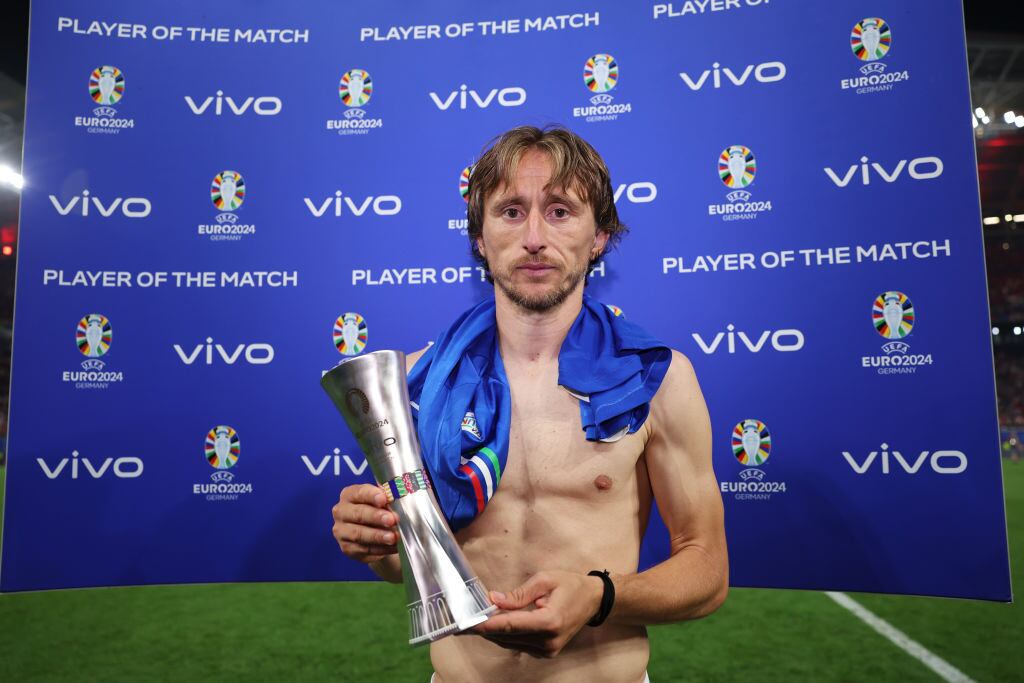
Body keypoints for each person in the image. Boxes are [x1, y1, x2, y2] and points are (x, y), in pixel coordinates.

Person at [332, 125, 728, 682]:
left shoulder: (657, 378)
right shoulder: (419, 380)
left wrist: (599, 596)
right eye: (511, 211)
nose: (535, 237)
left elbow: (707, 571)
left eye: (561, 211)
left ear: (600, 238)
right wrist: (374, 542)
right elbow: (407, 565)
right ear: (479, 236)